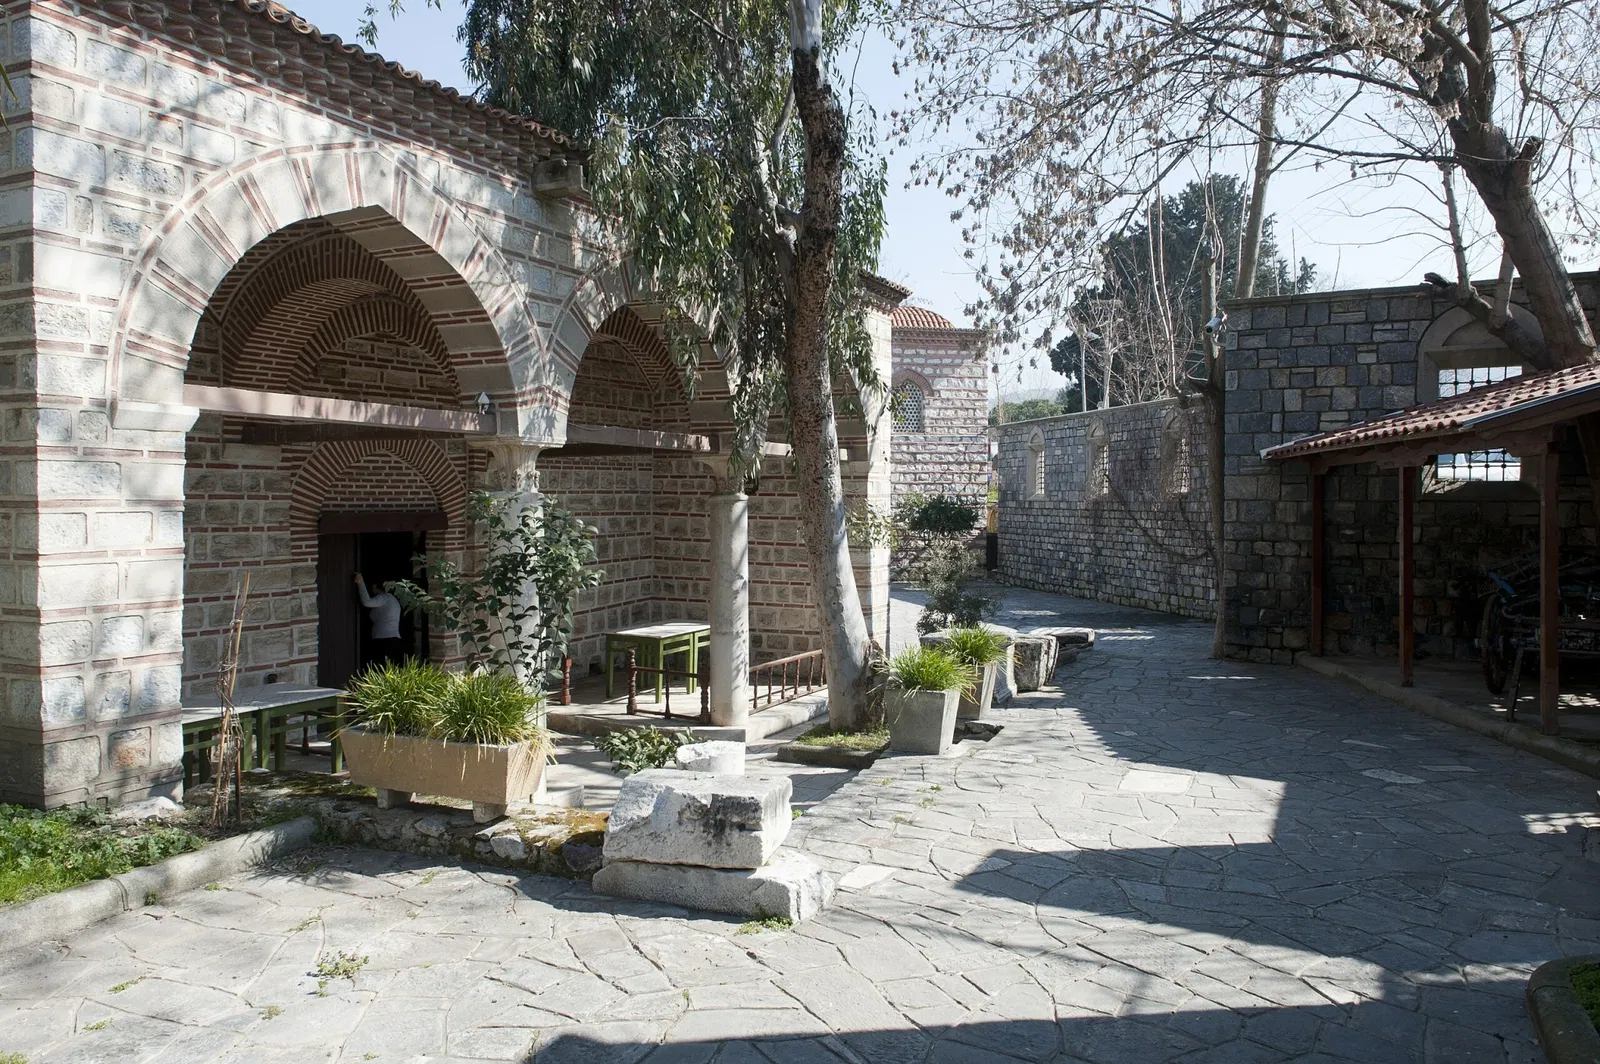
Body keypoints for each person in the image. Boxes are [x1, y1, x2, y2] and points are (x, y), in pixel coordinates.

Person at [354, 573, 405, 667]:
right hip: (392, 639)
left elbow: (367, 602)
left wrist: (360, 583)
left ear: (375, 586)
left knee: (381, 668)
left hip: (384, 640)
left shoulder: (384, 597)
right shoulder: (393, 600)